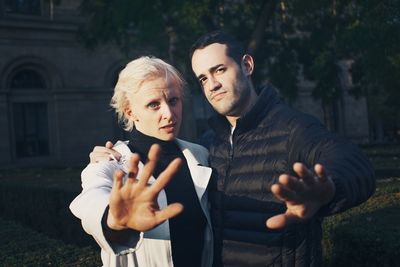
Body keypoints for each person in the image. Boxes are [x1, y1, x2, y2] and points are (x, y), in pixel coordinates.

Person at [90, 31, 375, 267]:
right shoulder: (206, 147)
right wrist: (113, 219)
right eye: (202, 78)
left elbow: (351, 161)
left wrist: (330, 190)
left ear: (247, 65)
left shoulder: (293, 128)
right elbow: (91, 202)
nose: (212, 84)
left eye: (219, 70)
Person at [69, 56, 213, 267]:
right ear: (130, 111)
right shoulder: (109, 162)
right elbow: (91, 197)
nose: (169, 113)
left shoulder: (200, 154)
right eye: (154, 104)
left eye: (173, 100)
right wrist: (113, 220)